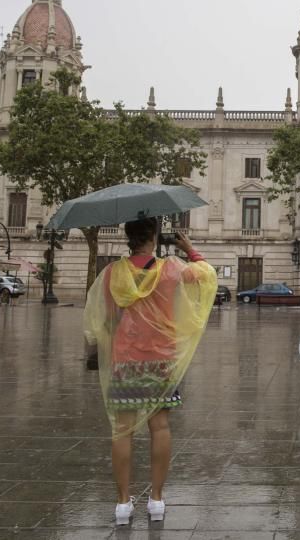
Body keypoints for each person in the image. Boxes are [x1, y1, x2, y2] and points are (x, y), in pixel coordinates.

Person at [83, 217, 217, 526]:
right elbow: (207, 277)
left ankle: (121, 504)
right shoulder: (170, 269)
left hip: (126, 359)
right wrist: (189, 249)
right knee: (160, 427)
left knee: (123, 430)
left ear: (127, 236)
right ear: (154, 238)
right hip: (160, 360)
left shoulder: (114, 273)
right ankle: (156, 499)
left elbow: (108, 319)